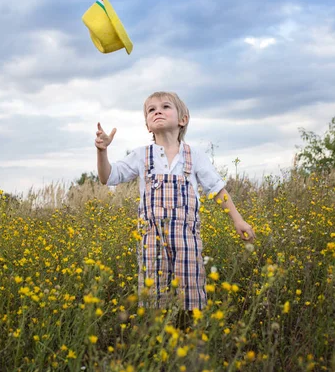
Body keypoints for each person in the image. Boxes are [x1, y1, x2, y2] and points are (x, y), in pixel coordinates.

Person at [95, 91, 255, 314]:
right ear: (147, 126)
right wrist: (102, 151)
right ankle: (158, 339)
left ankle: (188, 336)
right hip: (151, 240)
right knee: (154, 299)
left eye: (165, 107)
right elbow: (107, 177)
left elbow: (218, 190)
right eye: (151, 110)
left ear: (183, 119)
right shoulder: (142, 155)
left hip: (186, 239)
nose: (158, 111)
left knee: (190, 297)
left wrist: (238, 220)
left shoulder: (194, 156)